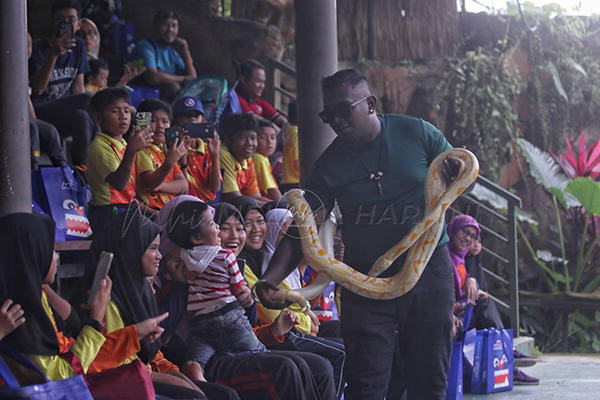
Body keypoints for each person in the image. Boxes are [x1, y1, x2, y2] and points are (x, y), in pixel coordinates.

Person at [256, 69, 465, 399]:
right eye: (328, 114)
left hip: (428, 272)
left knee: (430, 380)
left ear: (370, 103)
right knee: (366, 383)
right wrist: (271, 278)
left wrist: (456, 171)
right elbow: (305, 226)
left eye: (343, 109)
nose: (335, 120)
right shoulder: (329, 165)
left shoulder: (417, 132)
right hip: (363, 277)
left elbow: (457, 174)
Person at [241, 204, 346, 399]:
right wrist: (307, 319)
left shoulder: (277, 262)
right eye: (246, 224)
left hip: (288, 330)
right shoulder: (267, 266)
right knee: (337, 356)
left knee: (350, 334)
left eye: (259, 222)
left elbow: (303, 304)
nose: (297, 242)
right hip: (278, 334)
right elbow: (276, 312)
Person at [167, 201, 267, 370]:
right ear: (196, 237)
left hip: (200, 321)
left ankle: (195, 366)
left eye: (240, 228)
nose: (234, 236)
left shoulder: (184, 257)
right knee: (264, 355)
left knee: (198, 357)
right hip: (229, 315)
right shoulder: (226, 256)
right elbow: (236, 291)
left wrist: (249, 302)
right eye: (222, 227)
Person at [448, 216, 540, 386]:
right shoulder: (445, 256)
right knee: (484, 302)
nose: (468, 239)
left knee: (484, 301)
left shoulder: (461, 259)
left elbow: (480, 286)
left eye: (474, 237)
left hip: (462, 313)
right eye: (465, 232)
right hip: (449, 313)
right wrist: (447, 313)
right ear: (453, 230)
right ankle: (509, 356)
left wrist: (473, 263)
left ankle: (510, 364)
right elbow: (442, 291)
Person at [29, 0, 97, 166]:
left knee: (82, 116)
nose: (65, 23)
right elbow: (37, 90)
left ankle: (82, 173)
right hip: (41, 110)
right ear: (53, 21)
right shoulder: (38, 49)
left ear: (78, 24)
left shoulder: (78, 46)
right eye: (60, 19)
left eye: (70, 20)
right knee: (88, 100)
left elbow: (78, 88)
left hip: (64, 112)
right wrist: (54, 54)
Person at [86, 88, 153, 232]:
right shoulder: (100, 147)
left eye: (127, 111)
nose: (123, 116)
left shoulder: (124, 144)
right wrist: (131, 151)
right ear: (98, 117)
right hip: (109, 213)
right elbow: (120, 184)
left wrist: (153, 212)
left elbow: (128, 194)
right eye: (115, 111)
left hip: (128, 208)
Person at [135, 99, 188, 218]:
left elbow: (184, 186)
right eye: (153, 120)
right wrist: (169, 163)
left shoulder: (166, 152)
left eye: (165, 121)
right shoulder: (141, 150)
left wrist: (160, 186)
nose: (160, 126)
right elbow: (152, 182)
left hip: (168, 211)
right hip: (149, 213)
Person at [130, 9, 197, 103]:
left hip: (161, 97)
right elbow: (153, 77)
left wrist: (186, 53)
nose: (170, 30)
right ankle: (168, 117)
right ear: (155, 27)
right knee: (173, 87)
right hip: (143, 97)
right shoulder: (145, 47)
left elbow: (193, 78)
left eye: (174, 26)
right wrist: (184, 79)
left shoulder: (172, 52)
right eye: (165, 25)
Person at [172, 96, 223, 203]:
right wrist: (183, 159)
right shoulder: (172, 149)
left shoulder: (208, 148)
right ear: (176, 121)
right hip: (182, 204)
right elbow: (183, 192)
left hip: (206, 205)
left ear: (203, 121)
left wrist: (215, 155)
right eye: (186, 116)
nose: (192, 119)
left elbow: (215, 188)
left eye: (195, 115)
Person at [219, 113, 271, 204]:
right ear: (227, 139)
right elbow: (235, 198)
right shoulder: (223, 154)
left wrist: (279, 205)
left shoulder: (247, 159)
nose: (249, 143)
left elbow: (255, 196)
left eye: (253, 138)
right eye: (242, 138)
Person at [235, 60, 287, 134]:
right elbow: (256, 119)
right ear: (244, 80)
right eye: (258, 81)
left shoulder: (258, 101)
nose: (262, 86)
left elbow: (281, 120)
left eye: (263, 82)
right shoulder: (236, 99)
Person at [253, 121, 282, 201]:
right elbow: (272, 190)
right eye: (263, 138)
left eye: (272, 138)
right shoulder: (258, 158)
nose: (270, 142)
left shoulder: (263, 157)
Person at [280, 98, 300, 193]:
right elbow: (298, 164)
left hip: (287, 182)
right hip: (296, 183)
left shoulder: (290, 134)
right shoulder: (298, 136)